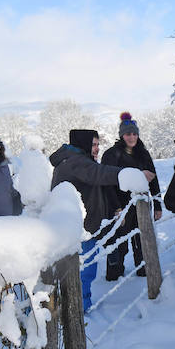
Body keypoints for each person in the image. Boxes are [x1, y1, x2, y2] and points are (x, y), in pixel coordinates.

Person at [50, 129, 132, 312]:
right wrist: (129, 175)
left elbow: (100, 185)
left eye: (97, 144)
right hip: (80, 230)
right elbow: (100, 174)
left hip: (85, 227)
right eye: (93, 144)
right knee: (84, 272)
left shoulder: (78, 160)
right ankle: (80, 310)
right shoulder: (76, 162)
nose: (96, 148)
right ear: (84, 144)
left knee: (85, 270)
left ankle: (79, 306)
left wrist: (115, 208)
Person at [101, 112, 161, 280]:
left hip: (141, 206)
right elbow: (107, 184)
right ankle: (114, 276)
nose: (132, 137)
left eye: (134, 133)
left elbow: (153, 180)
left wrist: (157, 204)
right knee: (119, 244)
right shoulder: (111, 155)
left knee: (142, 241)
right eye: (128, 134)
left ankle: (143, 271)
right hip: (119, 206)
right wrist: (116, 209)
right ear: (122, 135)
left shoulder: (143, 153)